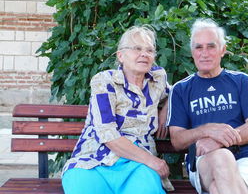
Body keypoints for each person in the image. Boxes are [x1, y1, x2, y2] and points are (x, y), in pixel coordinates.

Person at [62, 25, 174, 194]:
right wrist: (153, 161)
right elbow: (108, 135)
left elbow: (176, 91)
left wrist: (166, 108)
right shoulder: (105, 82)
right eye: (137, 48)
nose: (144, 54)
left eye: (149, 50)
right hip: (93, 160)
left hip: (138, 165)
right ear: (121, 55)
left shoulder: (157, 81)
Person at [166, 19, 248, 194]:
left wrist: (218, 140)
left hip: (247, 157)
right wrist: (206, 130)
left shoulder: (241, 81)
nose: (204, 53)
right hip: (203, 159)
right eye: (199, 47)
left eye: (211, 46)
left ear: (222, 50)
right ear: (192, 52)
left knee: (217, 188)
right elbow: (177, 140)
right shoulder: (181, 89)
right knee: (222, 157)